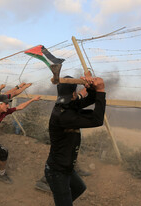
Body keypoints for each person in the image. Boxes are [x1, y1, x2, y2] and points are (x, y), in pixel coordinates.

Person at [44, 72, 106, 206]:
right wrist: (100, 90)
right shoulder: (64, 116)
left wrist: (90, 88)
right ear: (73, 94)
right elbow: (97, 119)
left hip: (65, 167)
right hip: (57, 172)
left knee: (79, 188)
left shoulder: (65, 105)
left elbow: (88, 100)